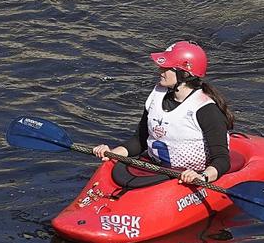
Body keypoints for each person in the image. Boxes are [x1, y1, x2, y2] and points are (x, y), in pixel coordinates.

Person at [92, 42, 236, 190]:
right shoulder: (157, 95)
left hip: (190, 175)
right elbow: (140, 140)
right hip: (156, 169)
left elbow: (222, 160)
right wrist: (112, 153)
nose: (160, 70)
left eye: (166, 68)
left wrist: (202, 177)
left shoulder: (206, 109)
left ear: (184, 74)